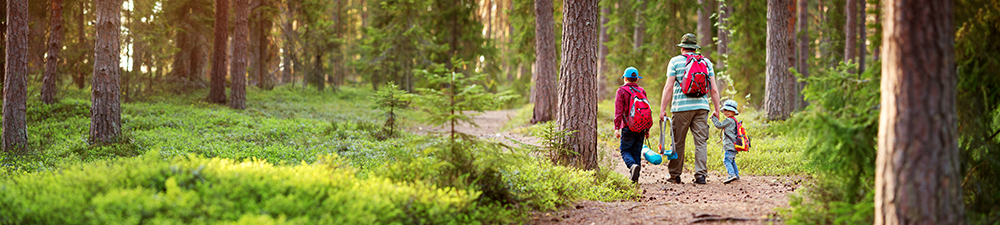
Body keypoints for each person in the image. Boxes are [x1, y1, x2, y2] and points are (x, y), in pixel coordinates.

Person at [659, 33, 723, 185]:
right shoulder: (706, 62)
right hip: (701, 107)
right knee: (700, 142)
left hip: (681, 108)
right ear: (695, 48)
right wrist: (717, 109)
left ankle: (675, 176)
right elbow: (713, 89)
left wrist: (662, 109)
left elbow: (668, 87)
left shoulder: (674, 62)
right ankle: (700, 175)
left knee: (678, 142)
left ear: (682, 48)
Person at [615, 67, 650, 183]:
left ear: (625, 78)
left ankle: (632, 166)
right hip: (641, 126)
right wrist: (647, 129)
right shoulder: (642, 91)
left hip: (627, 126)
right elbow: (646, 111)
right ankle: (635, 179)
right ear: (637, 80)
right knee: (636, 151)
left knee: (624, 150)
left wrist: (616, 128)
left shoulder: (621, 91)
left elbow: (618, 111)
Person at [712, 100, 741, 184]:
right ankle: (737, 176)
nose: (727, 112)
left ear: (734, 112)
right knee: (731, 160)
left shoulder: (729, 120)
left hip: (730, 145)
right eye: (725, 110)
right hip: (734, 144)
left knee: (726, 160)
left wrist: (714, 117)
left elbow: (719, 125)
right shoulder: (734, 120)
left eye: (729, 110)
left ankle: (731, 175)